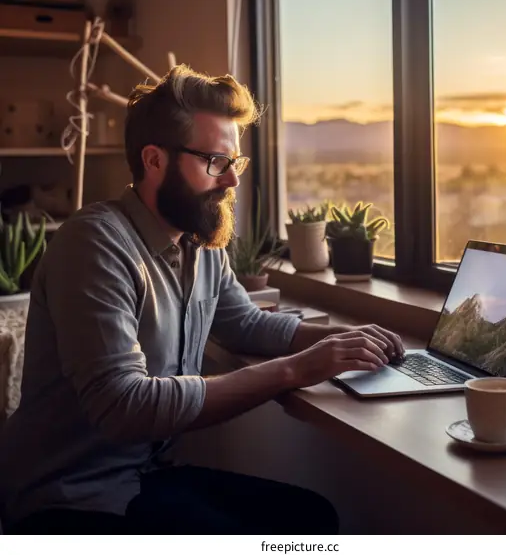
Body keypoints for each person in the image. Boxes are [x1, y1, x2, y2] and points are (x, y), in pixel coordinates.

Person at [0, 65, 404, 535]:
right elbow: (124, 405)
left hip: (144, 476)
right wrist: (296, 369)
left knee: (310, 520)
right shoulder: (94, 245)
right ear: (154, 161)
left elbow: (245, 324)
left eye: (235, 162)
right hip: (67, 495)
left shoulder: (200, 240)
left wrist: (344, 340)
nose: (232, 181)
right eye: (215, 162)